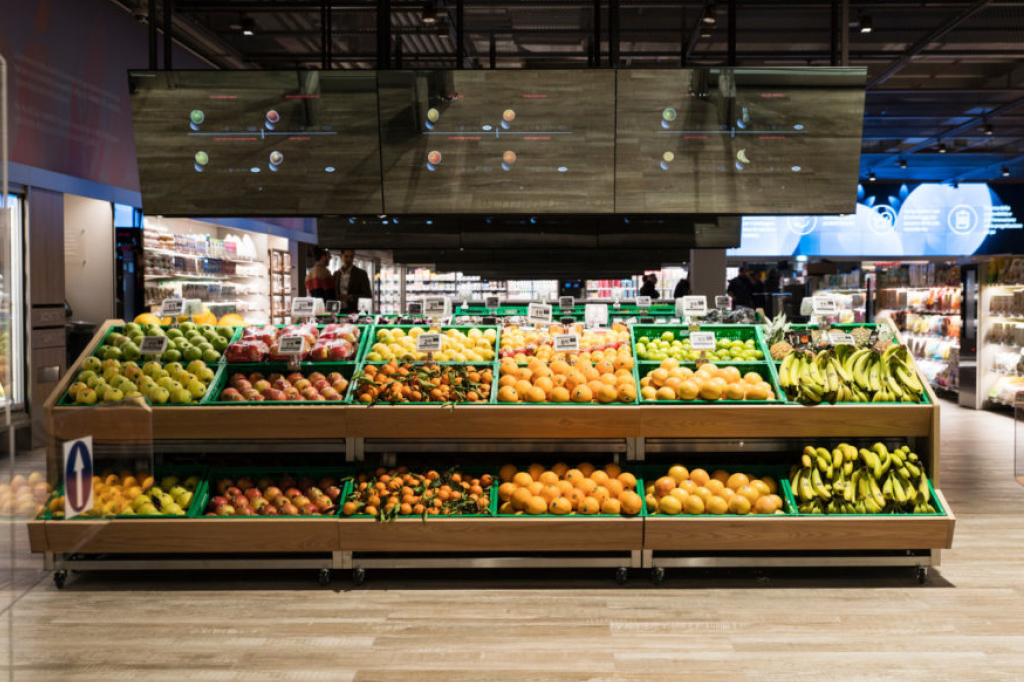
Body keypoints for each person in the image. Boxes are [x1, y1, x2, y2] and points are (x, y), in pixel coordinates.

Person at [334, 248, 373, 314]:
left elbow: (368, 295)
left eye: (351, 257)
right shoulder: (336, 274)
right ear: (341, 257)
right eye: (346, 256)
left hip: (355, 312)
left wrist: (350, 297)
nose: (349, 259)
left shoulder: (361, 274)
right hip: (339, 312)